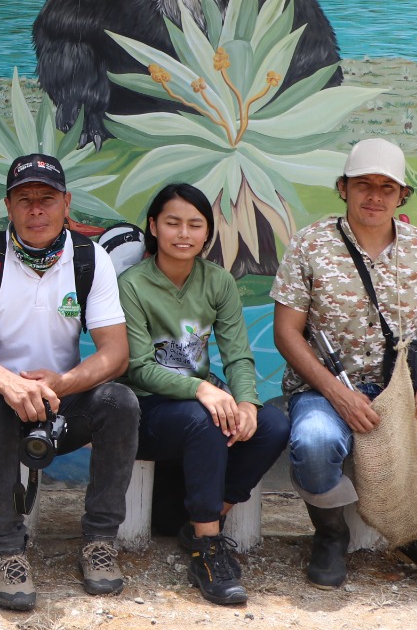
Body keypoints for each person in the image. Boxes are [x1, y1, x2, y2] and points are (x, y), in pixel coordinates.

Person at [272, 138, 417, 592]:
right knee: (315, 443)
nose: (374, 196)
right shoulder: (311, 244)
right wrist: (338, 395)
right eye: (363, 184)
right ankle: (331, 535)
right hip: (323, 391)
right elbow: (287, 332)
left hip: (401, 392)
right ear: (343, 188)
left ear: (403, 196)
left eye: (387, 186)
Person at [0, 153, 138, 610]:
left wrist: (62, 384)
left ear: (66, 202)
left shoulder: (90, 259)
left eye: (47, 199)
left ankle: (99, 542)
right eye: (25, 199)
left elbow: (116, 353)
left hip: (60, 398)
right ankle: (9, 551)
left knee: (120, 403)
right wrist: (9, 384)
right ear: (8, 206)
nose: (36, 210)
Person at [118, 182, 289, 607]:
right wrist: (200, 389)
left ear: (206, 234)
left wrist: (247, 403)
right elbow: (136, 366)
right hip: (147, 409)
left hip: (200, 403)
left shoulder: (218, 282)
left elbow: (238, 356)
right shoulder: (132, 285)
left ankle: (203, 521)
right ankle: (209, 551)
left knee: (272, 425)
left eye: (195, 225)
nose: (183, 233)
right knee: (205, 419)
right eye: (172, 222)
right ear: (153, 227)